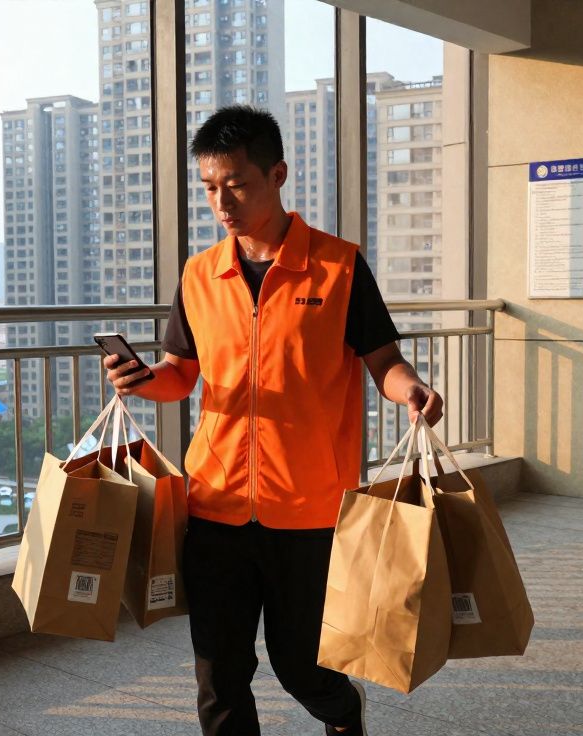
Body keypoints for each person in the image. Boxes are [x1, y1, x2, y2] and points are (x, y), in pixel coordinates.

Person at [104, 105, 443, 736]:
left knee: (302, 667)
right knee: (220, 675)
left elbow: (384, 361)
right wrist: (145, 378)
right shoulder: (201, 274)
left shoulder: (339, 267)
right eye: (209, 187)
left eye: (236, 183)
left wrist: (411, 389)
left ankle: (342, 715)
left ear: (277, 173)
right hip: (216, 505)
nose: (221, 201)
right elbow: (182, 372)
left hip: (310, 511)